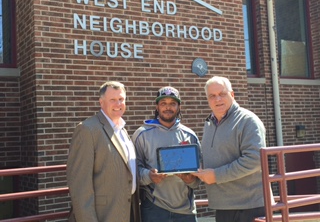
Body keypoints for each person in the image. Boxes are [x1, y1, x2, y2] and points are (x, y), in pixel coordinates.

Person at [192, 76, 266, 222]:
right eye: (212, 96)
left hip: (248, 207)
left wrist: (216, 175)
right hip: (223, 207)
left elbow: (254, 160)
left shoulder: (248, 121)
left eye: (222, 94)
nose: (217, 99)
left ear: (232, 95)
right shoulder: (209, 124)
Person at [67, 81, 141, 222]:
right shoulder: (87, 130)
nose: (118, 104)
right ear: (101, 102)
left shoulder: (123, 130)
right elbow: (80, 186)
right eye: (112, 100)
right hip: (103, 215)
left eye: (121, 99)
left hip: (128, 212)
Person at [132, 86, 201, 222]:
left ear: (179, 107)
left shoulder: (190, 135)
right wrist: (149, 176)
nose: (167, 107)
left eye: (172, 104)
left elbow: (198, 177)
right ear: (157, 107)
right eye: (163, 103)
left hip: (185, 211)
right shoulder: (141, 135)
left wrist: (191, 180)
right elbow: (132, 172)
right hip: (154, 209)